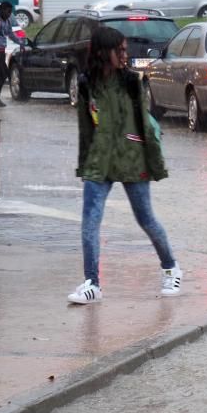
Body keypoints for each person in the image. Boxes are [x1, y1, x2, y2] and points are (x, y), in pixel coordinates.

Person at [67, 26, 181, 304]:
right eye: (119, 50)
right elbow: (85, 128)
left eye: (125, 49)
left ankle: (171, 268)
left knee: (146, 219)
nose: (124, 54)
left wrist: (155, 165)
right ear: (104, 52)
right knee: (89, 223)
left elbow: (144, 126)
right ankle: (92, 283)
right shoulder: (85, 83)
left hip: (132, 158)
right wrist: (85, 164)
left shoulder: (132, 82)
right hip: (99, 160)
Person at [0, 0, 26, 106]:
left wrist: (21, 42)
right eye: (8, 12)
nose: (9, 14)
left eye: (10, 12)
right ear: (2, 10)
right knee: (4, 73)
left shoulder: (7, 21)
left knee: (0, 74)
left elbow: (10, 34)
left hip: (1, 51)